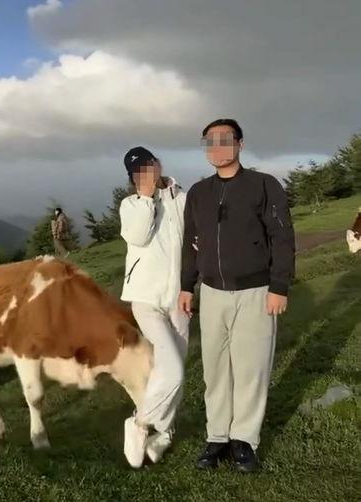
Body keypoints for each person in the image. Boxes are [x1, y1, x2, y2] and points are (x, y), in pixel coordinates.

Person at [178, 119, 295, 472]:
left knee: (250, 368)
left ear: (240, 144)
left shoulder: (264, 185)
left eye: (224, 139)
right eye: (210, 141)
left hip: (256, 292)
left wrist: (279, 286)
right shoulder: (198, 193)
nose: (217, 147)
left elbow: (282, 238)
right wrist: (186, 285)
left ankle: (244, 439)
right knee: (214, 370)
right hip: (212, 292)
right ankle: (217, 437)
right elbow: (190, 243)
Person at [120, 146, 190, 468]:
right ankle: (140, 423)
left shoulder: (181, 197)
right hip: (146, 299)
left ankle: (164, 435)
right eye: (138, 172)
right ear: (133, 178)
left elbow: (194, 237)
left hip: (179, 298)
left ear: (158, 164)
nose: (145, 174)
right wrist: (147, 198)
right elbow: (138, 237)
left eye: (148, 165)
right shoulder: (131, 205)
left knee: (173, 370)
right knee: (172, 367)